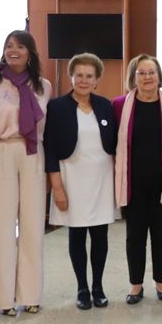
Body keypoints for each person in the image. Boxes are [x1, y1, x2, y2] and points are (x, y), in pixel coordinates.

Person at [0, 30, 51, 316]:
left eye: (20, 46)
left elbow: (45, 131)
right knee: (0, 227)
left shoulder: (43, 86)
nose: (13, 50)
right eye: (9, 46)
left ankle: (30, 294)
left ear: (31, 52)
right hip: (0, 152)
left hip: (32, 154)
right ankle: (2, 298)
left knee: (32, 227)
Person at [44, 53, 118, 310]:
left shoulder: (106, 106)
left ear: (97, 80)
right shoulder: (56, 107)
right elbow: (50, 148)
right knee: (76, 233)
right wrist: (57, 187)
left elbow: (116, 145)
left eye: (90, 76)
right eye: (79, 75)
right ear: (71, 77)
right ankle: (82, 288)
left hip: (102, 179)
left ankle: (98, 287)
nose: (84, 80)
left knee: (100, 235)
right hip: (71, 177)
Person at [113, 55, 162, 304]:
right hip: (132, 183)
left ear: (159, 76)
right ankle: (136, 285)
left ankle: (161, 282)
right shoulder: (119, 105)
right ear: (133, 77)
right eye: (141, 73)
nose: (147, 77)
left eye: (151, 72)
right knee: (134, 236)